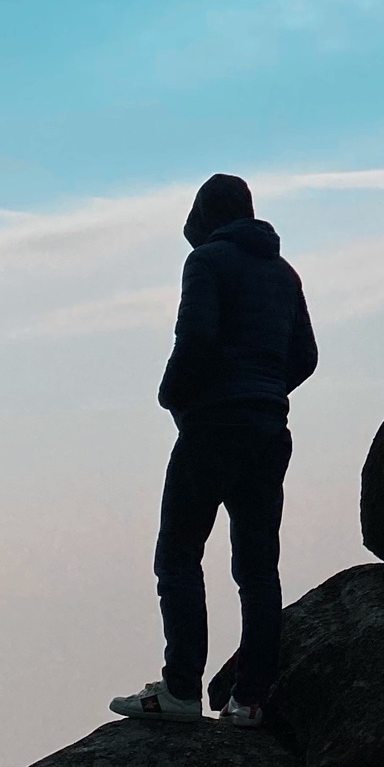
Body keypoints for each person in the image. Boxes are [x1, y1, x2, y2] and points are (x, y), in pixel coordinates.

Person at [110, 173, 317, 729]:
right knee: (257, 567)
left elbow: (195, 338)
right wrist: (266, 389)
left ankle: (180, 690)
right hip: (270, 430)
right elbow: (306, 355)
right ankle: (250, 700)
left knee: (178, 555)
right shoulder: (284, 274)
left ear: (205, 215)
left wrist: (172, 394)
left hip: (213, 428)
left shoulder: (206, 262)